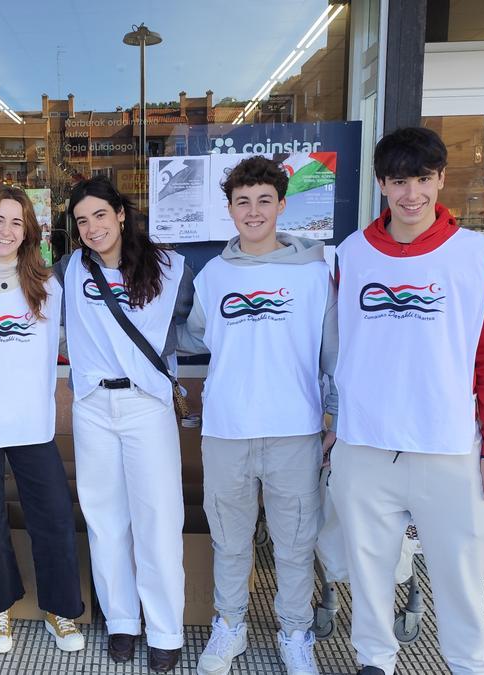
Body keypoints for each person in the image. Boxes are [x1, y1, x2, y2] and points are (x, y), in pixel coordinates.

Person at [328, 127, 484, 675]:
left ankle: (469, 662)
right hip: (365, 444)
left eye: (424, 180)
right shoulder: (351, 255)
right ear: (382, 184)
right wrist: (334, 418)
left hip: (448, 444)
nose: (412, 194)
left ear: (440, 180)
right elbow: (337, 346)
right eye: (399, 181)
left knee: (461, 569)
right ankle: (374, 660)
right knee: (369, 568)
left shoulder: (475, 256)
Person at [180, 156, 337, 675]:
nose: (253, 211)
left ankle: (294, 633)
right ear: (229, 209)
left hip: (295, 429)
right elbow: (196, 335)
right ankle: (231, 627)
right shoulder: (213, 276)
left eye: (264, 201)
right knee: (230, 539)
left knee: (296, 542)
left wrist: (333, 417)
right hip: (227, 429)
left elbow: (330, 354)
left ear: (281, 205)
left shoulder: (316, 274)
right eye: (242, 202)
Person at [58, 176, 194, 672]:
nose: (92, 228)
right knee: (105, 518)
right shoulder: (68, 270)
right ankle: (121, 622)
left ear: (120, 213)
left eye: (100, 215)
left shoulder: (171, 267)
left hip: (146, 406)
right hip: (93, 406)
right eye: (81, 221)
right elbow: (9, 284)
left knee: (157, 520)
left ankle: (165, 629)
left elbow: (198, 326)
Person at [0, 185, 86, 655]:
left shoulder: (47, 285)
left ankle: (60, 609)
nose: (6, 230)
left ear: (29, 232)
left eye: (17, 222)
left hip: (31, 422)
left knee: (53, 517)